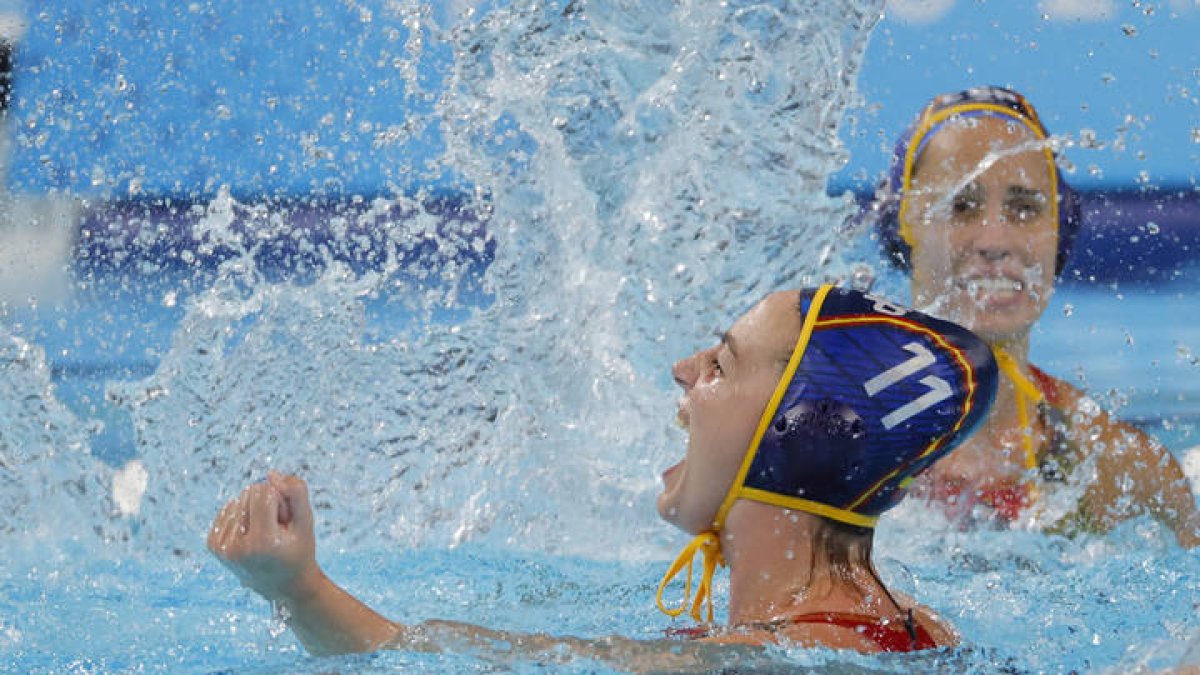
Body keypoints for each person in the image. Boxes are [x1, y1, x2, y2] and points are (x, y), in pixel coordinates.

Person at [208, 285, 999, 663]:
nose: (683, 371)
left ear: (798, 436)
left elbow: (444, 664)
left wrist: (298, 588)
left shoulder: (747, 663)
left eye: (720, 364)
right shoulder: (922, 628)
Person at [870, 85, 1200, 547]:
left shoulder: (1121, 470)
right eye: (960, 207)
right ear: (904, 227)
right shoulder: (839, 446)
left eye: (1025, 208)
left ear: (1057, 232)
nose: (995, 239)